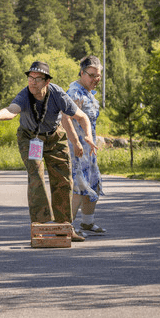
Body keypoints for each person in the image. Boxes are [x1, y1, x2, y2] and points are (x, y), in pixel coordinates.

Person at [0, 61, 97, 242]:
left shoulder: (57, 94)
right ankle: (40, 224)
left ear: (47, 82)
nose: (33, 82)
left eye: (38, 79)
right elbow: (11, 110)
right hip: (30, 139)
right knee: (36, 176)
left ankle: (65, 227)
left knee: (63, 180)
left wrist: (87, 136)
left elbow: (81, 116)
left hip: (54, 137)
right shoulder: (24, 95)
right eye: (30, 77)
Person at [66, 56, 107, 237]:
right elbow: (65, 117)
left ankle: (87, 223)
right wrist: (75, 142)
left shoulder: (88, 92)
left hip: (89, 151)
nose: (95, 80)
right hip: (77, 149)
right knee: (78, 187)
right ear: (82, 73)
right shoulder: (74, 93)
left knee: (92, 184)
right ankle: (67, 227)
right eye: (91, 76)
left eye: (98, 76)